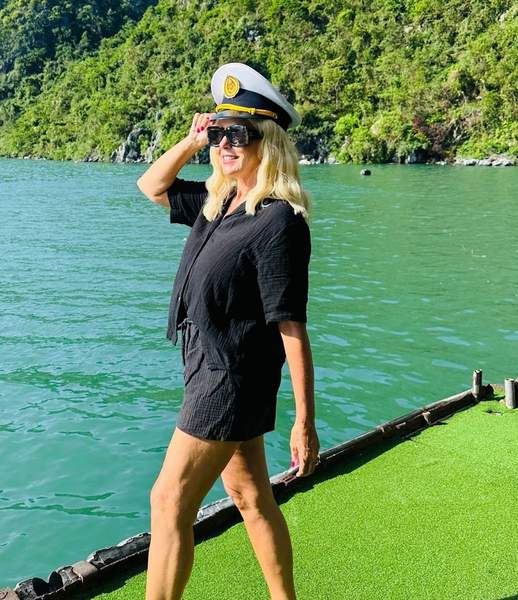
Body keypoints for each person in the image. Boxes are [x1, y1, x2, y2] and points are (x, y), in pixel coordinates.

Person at [136, 63, 319, 600]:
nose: (226, 144)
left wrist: (304, 423)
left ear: (270, 142)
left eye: (238, 134)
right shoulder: (219, 205)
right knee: (249, 495)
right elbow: (151, 185)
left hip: (230, 378)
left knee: (168, 500)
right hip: (207, 367)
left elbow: (292, 326)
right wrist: (192, 141)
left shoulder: (277, 220)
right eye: (219, 134)